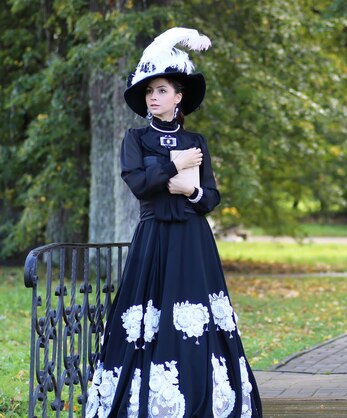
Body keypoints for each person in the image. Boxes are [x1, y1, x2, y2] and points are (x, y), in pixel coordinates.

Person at [85, 27, 262, 418]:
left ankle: (206, 395)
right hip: (154, 240)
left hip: (193, 240)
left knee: (195, 315)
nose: (154, 97)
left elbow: (211, 197)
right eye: (149, 91)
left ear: (178, 97)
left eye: (162, 90)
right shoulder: (135, 138)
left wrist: (190, 191)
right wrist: (174, 166)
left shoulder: (197, 140)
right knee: (150, 316)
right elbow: (137, 184)